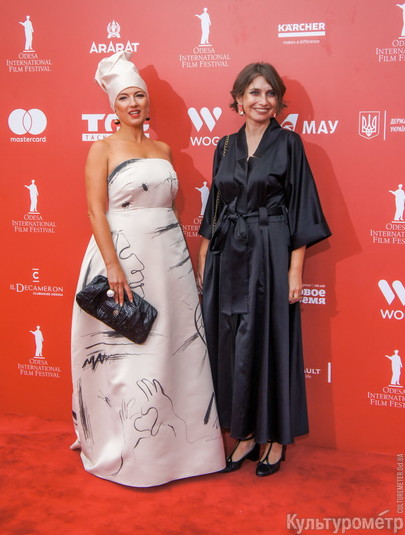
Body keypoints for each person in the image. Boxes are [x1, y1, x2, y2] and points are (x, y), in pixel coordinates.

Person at [71, 51, 225, 487]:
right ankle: (128, 451)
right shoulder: (102, 148)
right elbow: (96, 211)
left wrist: (179, 258)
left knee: (175, 347)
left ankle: (182, 449)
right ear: (113, 106)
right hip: (122, 256)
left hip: (167, 259)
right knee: (129, 351)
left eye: (138, 95)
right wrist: (114, 267)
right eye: (124, 97)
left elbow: (170, 209)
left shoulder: (163, 150)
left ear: (147, 101)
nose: (133, 103)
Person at [197, 62, 331, 477]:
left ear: (278, 102)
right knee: (232, 344)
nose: (263, 100)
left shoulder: (289, 144)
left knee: (270, 340)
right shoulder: (224, 146)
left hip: (271, 250)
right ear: (238, 99)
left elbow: (301, 208)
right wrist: (204, 260)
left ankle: (273, 438)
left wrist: (295, 271)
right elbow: (215, 208)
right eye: (254, 92)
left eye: (270, 93)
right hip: (227, 254)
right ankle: (245, 434)